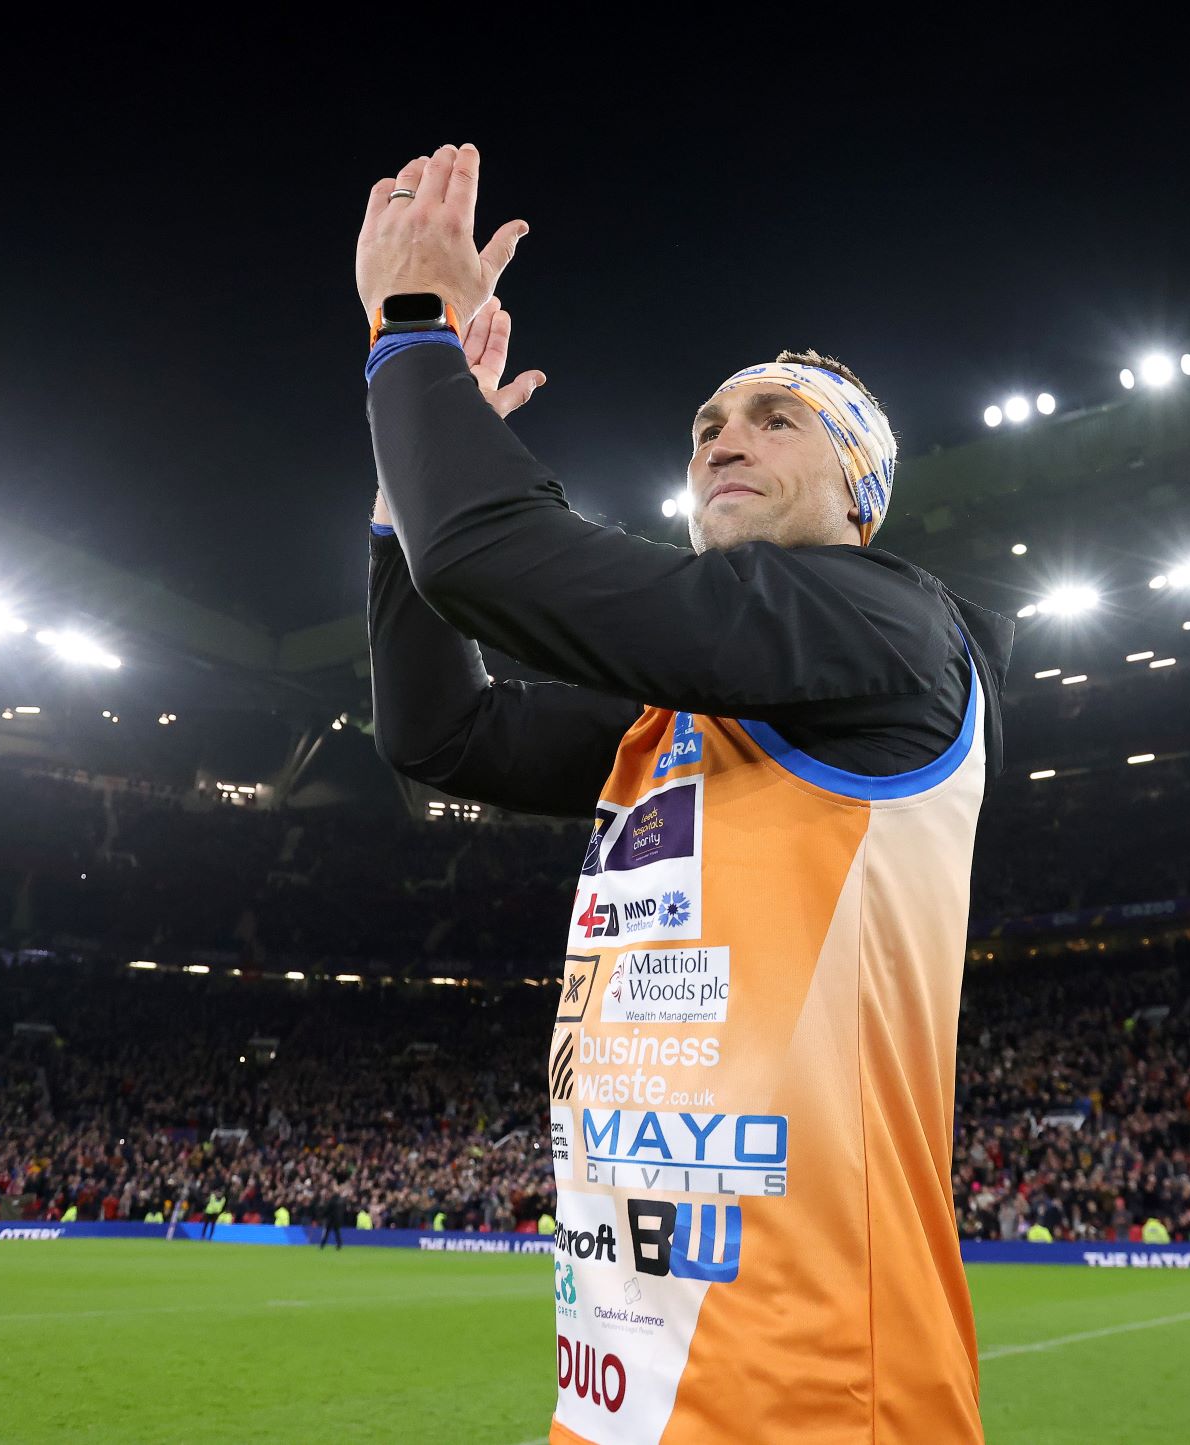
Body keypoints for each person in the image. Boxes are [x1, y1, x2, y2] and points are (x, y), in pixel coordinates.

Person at [356, 144, 1011, 1444]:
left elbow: (494, 559)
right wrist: (399, 499)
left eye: (778, 417)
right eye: (707, 422)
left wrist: (412, 336)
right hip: (628, 1396)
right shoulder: (680, 713)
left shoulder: (890, 629)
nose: (725, 436)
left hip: (816, 1400)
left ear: (861, 493)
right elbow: (438, 733)